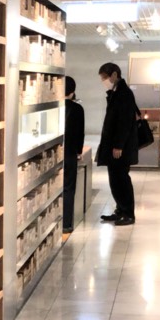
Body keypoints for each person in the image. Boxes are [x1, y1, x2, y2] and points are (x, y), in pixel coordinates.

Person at [95, 61, 140, 225]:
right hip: (114, 145)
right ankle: (120, 210)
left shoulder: (124, 93)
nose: (104, 81)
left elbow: (124, 122)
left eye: (105, 77)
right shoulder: (115, 92)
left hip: (121, 147)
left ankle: (128, 213)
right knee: (115, 179)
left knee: (121, 179)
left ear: (114, 75)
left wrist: (119, 145)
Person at [62, 75, 85, 233]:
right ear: (72, 92)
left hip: (54, 150)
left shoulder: (51, 106)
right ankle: (66, 224)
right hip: (70, 153)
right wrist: (78, 151)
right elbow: (79, 133)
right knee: (69, 188)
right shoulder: (77, 109)